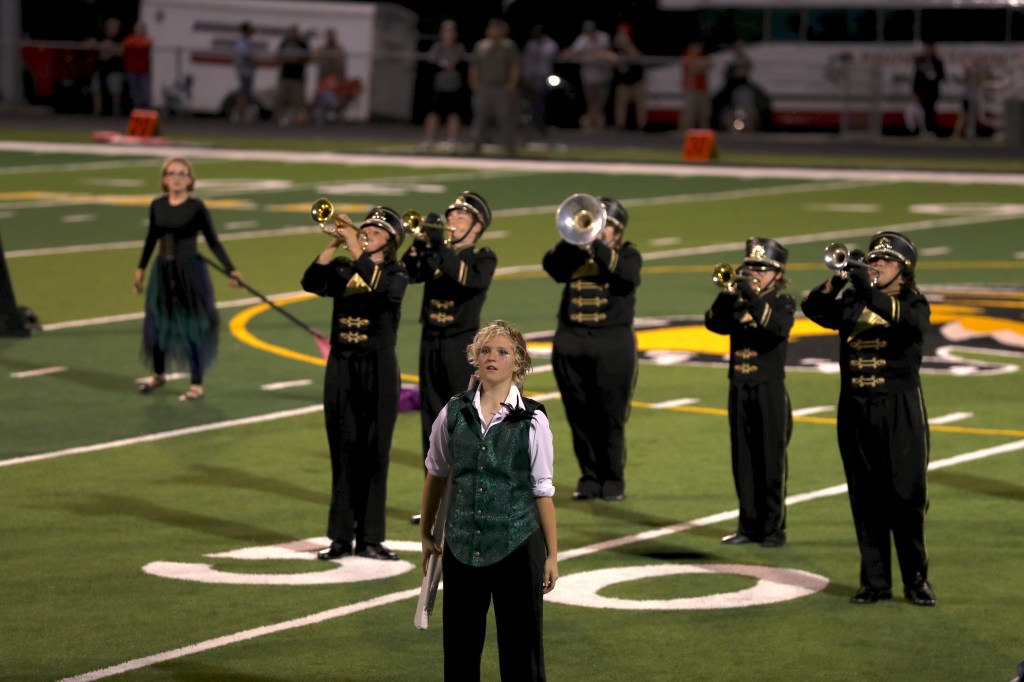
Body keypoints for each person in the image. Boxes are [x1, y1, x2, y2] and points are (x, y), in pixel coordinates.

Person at [801, 231, 935, 607]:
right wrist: (840, 279)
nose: (877, 264)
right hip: (854, 409)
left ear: (904, 270)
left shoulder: (913, 301)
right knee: (865, 498)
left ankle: (916, 580)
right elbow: (813, 308)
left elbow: (909, 324)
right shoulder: (852, 300)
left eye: (886, 260)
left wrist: (866, 289)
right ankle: (874, 582)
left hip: (899, 410)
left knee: (906, 498)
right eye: (873, 259)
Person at [419, 320, 558, 681]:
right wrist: (427, 533)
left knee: (522, 654)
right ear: (475, 359)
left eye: (502, 352)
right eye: (484, 351)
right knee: (460, 653)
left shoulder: (534, 419)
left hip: (518, 546)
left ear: (518, 363)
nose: (492, 357)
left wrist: (552, 554)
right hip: (462, 546)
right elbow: (436, 473)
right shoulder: (452, 412)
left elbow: (542, 490)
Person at [301, 205, 409, 562]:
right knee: (343, 449)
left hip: (378, 366)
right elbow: (311, 282)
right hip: (342, 365)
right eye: (364, 230)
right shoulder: (345, 267)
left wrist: (353, 244)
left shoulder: (396, 272)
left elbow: (382, 291)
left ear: (391, 242)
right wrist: (334, 244)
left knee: (375, 453)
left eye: (375, 233)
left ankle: (371, 539)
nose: (365, 235)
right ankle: (340, 537)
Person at [402, 191, 496, 522]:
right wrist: (419, 243)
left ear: (477, 226)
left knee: (461, 424)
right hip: (430, 341)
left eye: (461, 216)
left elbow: (468, 280)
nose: (452, 221)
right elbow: (408, 273)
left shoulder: (483, 258)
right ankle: (434, 503)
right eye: (450, 215)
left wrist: (438, 248)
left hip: (461, 346)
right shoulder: (435, 253)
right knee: (431, 423)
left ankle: (465, 503)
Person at [542, 197, 641, 501]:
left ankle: (612, 478)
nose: (598, 230)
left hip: (612, 344)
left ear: (617, 232)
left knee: (610, 415)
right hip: (571, 341)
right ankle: (589, 476)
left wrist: (596, 244)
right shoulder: (573, 253)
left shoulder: (628, 254)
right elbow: (552, 267)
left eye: (605, 226)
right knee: (579, 414)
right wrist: (573, 239)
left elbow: (627, 276)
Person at [704, 238, 795, 548]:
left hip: (769, 390)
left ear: (777, 274)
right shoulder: (738, 301)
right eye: (750, 267)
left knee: (770, 460)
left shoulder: (782, 303)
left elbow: (776, 328)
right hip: (739, 387)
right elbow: (713, 323)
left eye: (761, 268)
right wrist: (728, 293)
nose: (754, 272)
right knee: (742, 460)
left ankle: (772, 529)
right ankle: (748, 525)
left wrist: (751, 295)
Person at [133, 157, 242, 402]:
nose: (176, 178)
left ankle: (196, 385)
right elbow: (151, 238)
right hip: (162, 271)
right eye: (171, 173)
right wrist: (140, 269)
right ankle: (158, 375)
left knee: (192, 326)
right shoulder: (157, 205)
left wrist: (231, 269)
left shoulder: (196, 207)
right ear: (164, 179)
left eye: (182, 173)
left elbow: (213, 241)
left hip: (190, 272)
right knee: (158, 322)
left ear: (190, 180)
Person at [468, 18, 521, 155]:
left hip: (502, 86)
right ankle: (476, 145)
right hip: (484, 86)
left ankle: (508, 147)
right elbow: (475, 66)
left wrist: (511, 84)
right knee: (480, 117)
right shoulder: (481, 45)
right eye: (492, 28)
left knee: (505, 117)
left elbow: (515, 67)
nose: (494, 31)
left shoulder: (509, 46)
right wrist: (474, 82)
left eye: (497, 28)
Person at [419, 19, 468, 152]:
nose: (449, 34)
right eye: (446, 31)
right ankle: (428, 140)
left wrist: (448, 63)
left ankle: (451, 140)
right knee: (433, 114)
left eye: (451, 31)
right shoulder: (437, 47)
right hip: (438, 87)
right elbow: (432, 63)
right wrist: (444, 64)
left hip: (454, 86)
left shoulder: (459, 47)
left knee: (453, 114)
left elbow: (458, 63)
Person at [561, 20, 614, 132]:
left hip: (603, 76)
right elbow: (572, 51)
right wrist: (567, 54)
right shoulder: (583, 39)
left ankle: (597, 125)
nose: (590, 34)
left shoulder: (603, 37)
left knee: (601, 102)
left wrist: (588, 57)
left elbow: (604, 53)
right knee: (591, 102)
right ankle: (592, 124)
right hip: (588, 77)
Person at [520, 25, 559, 139]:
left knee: (540, 102)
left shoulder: (550, 44)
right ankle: (530, 126)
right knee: (528, 103)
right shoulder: (531, 44)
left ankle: (542, 126)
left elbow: (548, 56)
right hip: (529, 77)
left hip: (543, 78)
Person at [312, 29, 352, 125]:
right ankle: (322, 118)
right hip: (324, 80)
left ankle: (335, 111)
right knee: (323, 96)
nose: (330, 38)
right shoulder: (323, 49)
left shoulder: (338, 49)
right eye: (328, 36)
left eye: (332, 36)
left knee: (335, 98)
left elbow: (341, 63)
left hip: (334, 82)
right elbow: (315, 58)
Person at [611, 23, 647, 131]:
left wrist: (627, 45)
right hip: (623, 81)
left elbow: (637, 58)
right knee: (620, 104)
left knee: (640, 105)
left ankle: (641, 127)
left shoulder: (635, 43)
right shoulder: (615, 47)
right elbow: (612, 62)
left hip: (637, 81)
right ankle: (620, 126)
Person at [274, 25, 309, 126]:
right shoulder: (285, 43)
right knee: (281, 98)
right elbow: (279, 56)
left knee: (297, 99)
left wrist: (297, 60)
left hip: (297, 77)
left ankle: (296, 119)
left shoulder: (302, 44)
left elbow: (307, 57)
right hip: (286, 76)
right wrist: (287, 59)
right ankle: (276, 119)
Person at [91, 17, 124, 116]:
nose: (112, 29)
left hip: (114, 69)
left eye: (114, 27)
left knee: (115, 91)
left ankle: (116, 111)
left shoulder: (120, 38)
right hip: (100, 69)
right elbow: (91, 44)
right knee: (96, 90)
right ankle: (97, 112)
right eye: (110, 27)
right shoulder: (100, 36)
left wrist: (112, 47)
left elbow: (121, 52)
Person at [912, 41, 945, 136]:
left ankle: (931, 129)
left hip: (932, 91)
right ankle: (922, 129)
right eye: (927, 50)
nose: (929, 52)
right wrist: (915, 91)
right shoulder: (921, 62)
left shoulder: (937, 62)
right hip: (922, 91)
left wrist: (934, 75)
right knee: (922, 111)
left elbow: (942, 76)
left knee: (930, 110)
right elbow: (917, 78)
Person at [680, 41, 711, 130]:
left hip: (703, 89)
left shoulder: (703, 55)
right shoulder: (687, 55)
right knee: (689, 113)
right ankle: (684, 132)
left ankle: (705, 133)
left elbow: (709, 65)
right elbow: (692, 69)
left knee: (704, 113)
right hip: (691, 89)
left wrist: (699, 66)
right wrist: (700, 66)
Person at [122, 21, 152, 110]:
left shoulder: (147, 39)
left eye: (142, 29)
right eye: (138, 29)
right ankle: (137, 110)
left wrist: (136, 43)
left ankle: (146, 110)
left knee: (145, 92)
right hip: (131, 70)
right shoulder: (129, 39)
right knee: (135, 93)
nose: (140, 31)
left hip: (144, 71)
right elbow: (127, 44)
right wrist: (137, 43)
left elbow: (146, 44)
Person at [232, 22, 257, 123]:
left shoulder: (246, 41)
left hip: (247, 70)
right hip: (244, 70)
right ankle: (240, 114)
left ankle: (242, 113)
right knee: (244, 93)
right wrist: (254, 62)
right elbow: (245, 55)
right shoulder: (242, 42)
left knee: (246, 93)